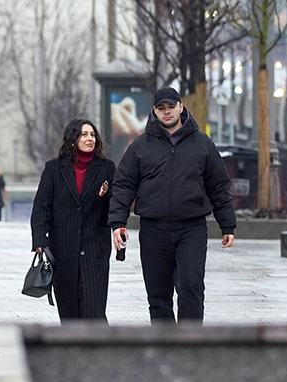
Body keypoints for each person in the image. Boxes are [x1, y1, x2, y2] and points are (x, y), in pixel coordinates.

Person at [108, 87, 236, 324]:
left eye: (171, 107)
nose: (167, 113)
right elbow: (124, 185)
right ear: (154, 111)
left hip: (192, 228)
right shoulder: (140, 146)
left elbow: (218, 186)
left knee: (191, 288)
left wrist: (227, 224)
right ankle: (164, 345)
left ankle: (190, 345)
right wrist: (117, 222)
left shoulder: (202, 144)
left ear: (181, 107)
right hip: (153, 229)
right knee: (157, 295)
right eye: (161, 108)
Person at [30, 119, 117, 321]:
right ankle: (71, 350)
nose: (89, 139)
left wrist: (104, 196)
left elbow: (115, 206)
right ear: (73, 139)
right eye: (84, 134)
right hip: (63, 249)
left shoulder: (106, 168)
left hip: (95, 249)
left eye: (92, 135)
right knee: (69, 311)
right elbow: (42, 205)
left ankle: (99, 350)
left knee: (94, 310)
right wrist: (40, 240)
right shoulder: (53, 169)